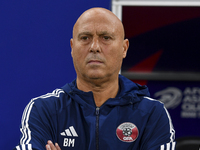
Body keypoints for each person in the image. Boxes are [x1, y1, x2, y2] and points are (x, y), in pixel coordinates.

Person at [14, 7, 176, 150]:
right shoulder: (43, 110)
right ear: (72, 47)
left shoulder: (152, 114)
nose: (95, 47)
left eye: (106, 37)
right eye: (85, 38)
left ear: (124, 48)